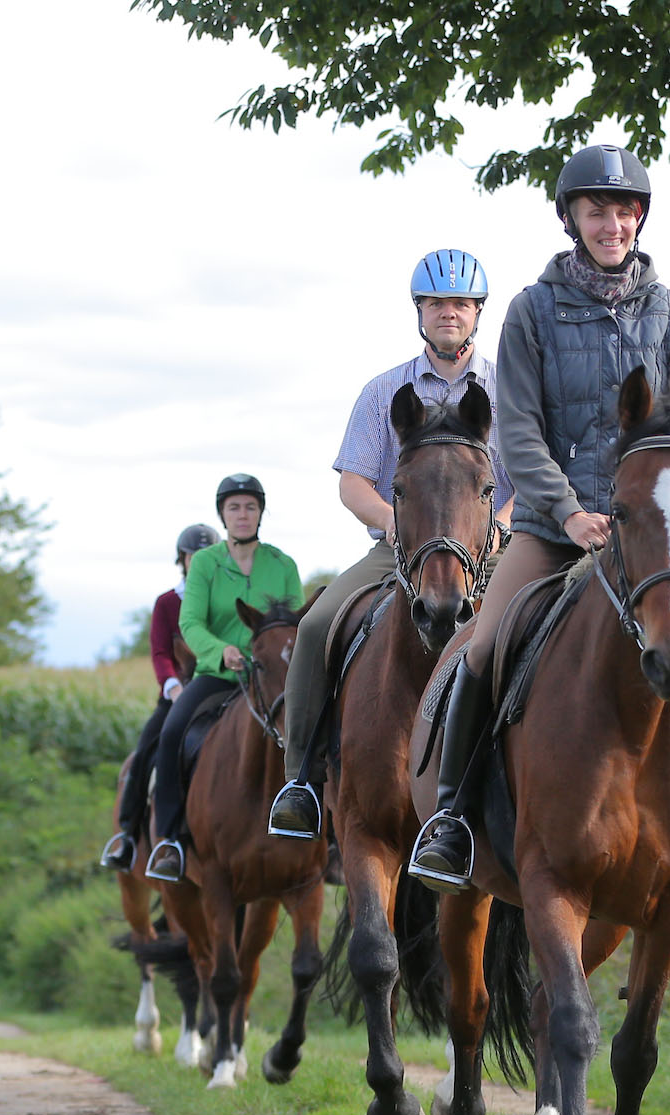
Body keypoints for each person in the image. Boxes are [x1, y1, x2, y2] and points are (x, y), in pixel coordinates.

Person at [406, 145, 670, 907]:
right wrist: (567, 510)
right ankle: (453, 820)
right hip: (558, 530)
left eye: (624, 210)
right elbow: (519, 430)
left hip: (652, 541)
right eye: (596, 210)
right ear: (571, 219)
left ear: (639, 219)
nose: (612, 223)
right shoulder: (531, 310)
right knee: (484, 647)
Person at [266, 249, 513, 838]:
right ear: (419, 312)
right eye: (436, 304)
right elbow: (353, 482)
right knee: (318, 624)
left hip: (493, 545)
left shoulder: (513, 389)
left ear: (477, 312)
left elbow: (534, 472)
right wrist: (394, 521)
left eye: (459, 303)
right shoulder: (383, 392)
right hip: (402, 546)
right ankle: (300, 777)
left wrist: (503, 520)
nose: (447, 313)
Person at [144, 473, 303, 882]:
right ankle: (172, 841)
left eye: (250, 506)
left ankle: (332, 836)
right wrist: (221, 651)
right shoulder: (206, 566)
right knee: (171, 732)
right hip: (219, 675)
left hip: (275, 678)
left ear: (260, 513)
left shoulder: (283, 564)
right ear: (223, 514)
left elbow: (296, 623)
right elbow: (191, 622)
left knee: (321, 729)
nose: (243, 514)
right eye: (234, 507)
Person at [97, 522, 218, 871]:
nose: (200, 562)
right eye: (195, 556)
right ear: (183, 559)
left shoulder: (225, 599)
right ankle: (129, 835)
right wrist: (173, 686)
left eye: (208, 556)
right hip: (179, 692)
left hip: (225, 688)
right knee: (147, 750)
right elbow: (160, 653)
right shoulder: (167, 603)